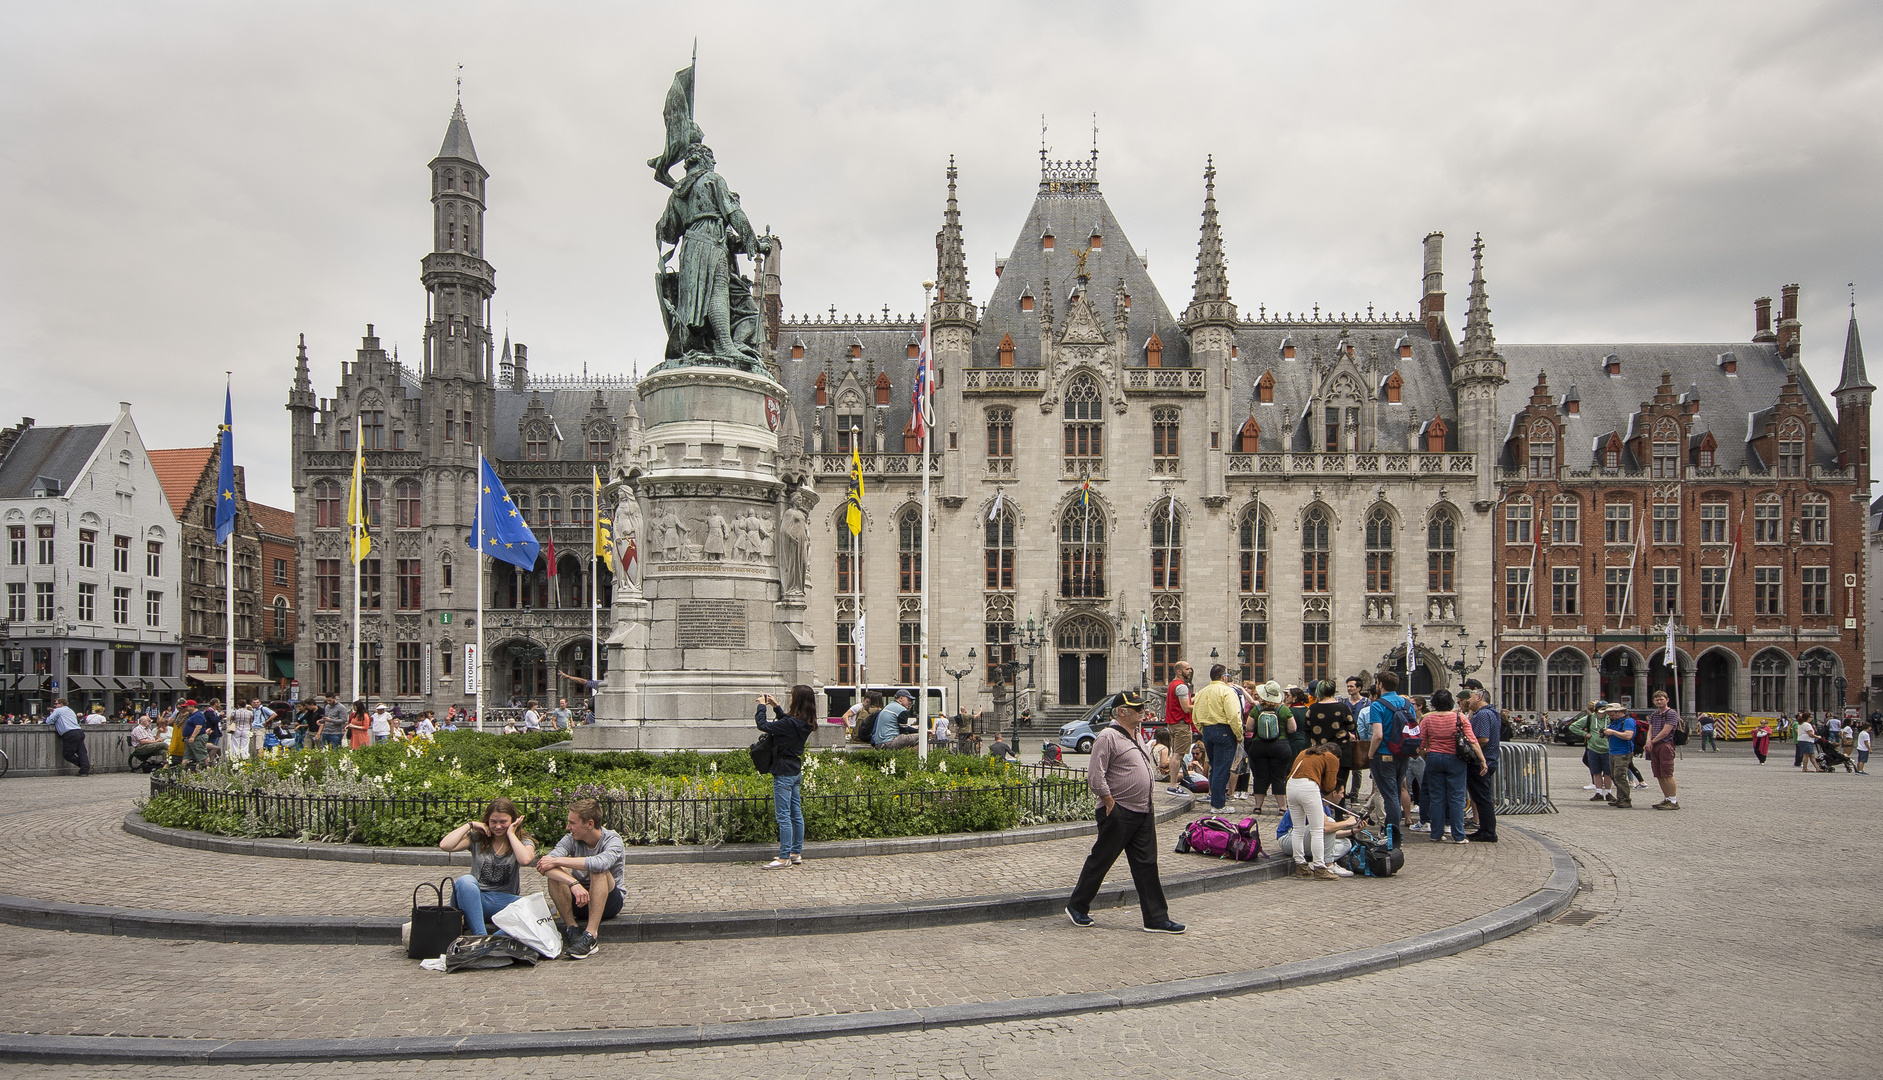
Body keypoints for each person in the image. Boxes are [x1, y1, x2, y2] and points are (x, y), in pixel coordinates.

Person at [1064, 688, 1184, 934]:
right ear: (1122, 711)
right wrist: (1109, 802)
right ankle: (1077, 906)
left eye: (1142, 707)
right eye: (1137, 709)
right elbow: (1095, 776)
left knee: (1147, 864)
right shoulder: (1107, 736)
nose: (1143, 711)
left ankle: (1156, 918)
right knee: (1101, 860)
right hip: (1119, 810)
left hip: (1143, 810)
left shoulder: (1136, 734)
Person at [535, 799, 626, 960]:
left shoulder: (612, 839)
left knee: (598, 870)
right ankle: (572, 929)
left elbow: (600, 863)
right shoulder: (570, 839)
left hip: (609, 902)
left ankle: (591, 936)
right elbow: (545, 864)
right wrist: (573, 882)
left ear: (589, 824)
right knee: (556, 871)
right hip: (578, 899)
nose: (567, 827)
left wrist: (557, 861)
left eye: (572, 823)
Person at [440, 797, 538, 937]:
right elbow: (445, 845)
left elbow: (525, 860)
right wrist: (471, 824)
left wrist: (511, 833)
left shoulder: (523, 842)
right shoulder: (477, 839)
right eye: (493, 822)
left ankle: (495, 940)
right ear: (487, 820)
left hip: (504, 901)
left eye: (503, 822)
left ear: (513, 820)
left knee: (535, 907)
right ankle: (481, 936)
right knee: (465, 881)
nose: (498, 826)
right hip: (475, 900)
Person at [756, 685, 817, 868]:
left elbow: (764, 726)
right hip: (794, 770)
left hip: (783, 771)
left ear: (797, 700)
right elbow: (787, 723)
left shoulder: (792, 723)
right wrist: (776, 707)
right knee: (795, 813)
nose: (789, 699)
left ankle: (784, 858)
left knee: (783, 816)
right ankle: (795, 852)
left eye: (791, 696)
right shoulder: (804, 722)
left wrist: (761, 706)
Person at [1418, 688, 1483, 841]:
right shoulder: (1459, 717)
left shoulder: (1427, 719)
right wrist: (1482, 759)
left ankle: (1436, 833)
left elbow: (1420, 743)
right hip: (1455, 758)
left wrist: (1426, 756)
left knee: (1436, 797)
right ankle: (1458, 835)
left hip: (1433, 757)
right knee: (1456, 797)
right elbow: (1472, 740)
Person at [1285, 742, 1346, 878]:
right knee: (1317, 830)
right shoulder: (1331, 758)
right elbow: (1330, 786)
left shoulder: (1305, 752)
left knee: (1298, 829)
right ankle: (1320, 867)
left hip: (1291, 786)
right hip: (1308, 786)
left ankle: (1300, 865)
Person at [1368, 671, 1416, 838]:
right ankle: (1390, 829)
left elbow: (1378, 735)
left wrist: (1370, 753)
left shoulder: (1377, 705)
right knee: (1395, 791)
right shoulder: (1407, 703)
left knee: (1390, 796)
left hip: (1384, 754)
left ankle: (1394, 834)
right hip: (1403, 753)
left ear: (1380, 685)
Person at [1192, 663, 1242, 813]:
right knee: (1222, 768)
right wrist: (1238, 734)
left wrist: (1203, 729)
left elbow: (1195, 714)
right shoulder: (1226, 691)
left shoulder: (1202, 692)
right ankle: (1218, 804)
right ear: (1223, 676)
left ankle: (1215, 799)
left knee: (1214, 767)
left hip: (1207, 731)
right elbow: (1233, 715)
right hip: (1224, 730)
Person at [1301, 680, 1357, 804]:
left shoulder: (1313, 708)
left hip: (1320, 752)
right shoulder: (1343, 707)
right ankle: (1339, 813)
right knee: (1340, 784)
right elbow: (1352, 726)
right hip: (1341, 751)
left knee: (1320, 784)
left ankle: (1323, 812)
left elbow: (1306, 728)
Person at [1244, 680, 1295, 815]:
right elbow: (1293, 728)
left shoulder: (1257, 709)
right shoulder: (1283, 709)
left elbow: (1248, 727)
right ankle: (1282, 807)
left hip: (1258, 746)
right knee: (1279, 777)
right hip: (1280, 746)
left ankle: (1258, 806)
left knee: (1260, 777)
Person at [1462, 682, 1501, 842]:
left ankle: (1489, 832)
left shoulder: (1484, 715)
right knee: (1480, 797)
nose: (1468, 701)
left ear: (1479, 697)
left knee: (1483, 798)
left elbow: (1483, 739)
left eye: (1470, 697)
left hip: (1480, 762)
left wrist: (1469, 748)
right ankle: (1485, 829)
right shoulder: (1487, 713)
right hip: (1486, 760)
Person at [1644, 690, 1681, 810]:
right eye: (1656, 700)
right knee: (1659, 773)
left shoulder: (1671, 713)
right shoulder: (1654, 714)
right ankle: (1667, 798)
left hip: (1665, 745)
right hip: (1654, 745)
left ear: (1667, 700)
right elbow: (1650, 729)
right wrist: (1648, 741)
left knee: (1667, 773)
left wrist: (1652, 741)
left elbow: (1666, 731)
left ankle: (1673, 800)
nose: (1659, 701)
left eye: (1661, 699)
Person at [1163, 661, 1196, 795]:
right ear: (1179, 671)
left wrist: (1194, 699)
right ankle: (1173, 785)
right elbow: (1186, 708)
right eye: (1187, 669)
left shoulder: (1173, 685)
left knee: (1175, 754)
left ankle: (1173, 784)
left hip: (1173, 724)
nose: (1190, 671)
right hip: (1181, 724)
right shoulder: (1181, 687)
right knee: (1178, 755)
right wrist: (1202, 704)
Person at [1571, 704, 1614, 802]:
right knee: (1596, 771)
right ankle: (1598, 792)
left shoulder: (1610, 719)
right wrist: (1585, 734)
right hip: (1593, 749)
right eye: (1601, 710)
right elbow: (1573, 726)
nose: (1603, 713)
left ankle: (1608, 793)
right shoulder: (1590, 718)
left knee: (1608, 773)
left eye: (1605, 710)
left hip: (1608, 750)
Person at [1601, 702, 1639, 806]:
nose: (1609, 715)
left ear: (1618, 712)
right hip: (1613, 751)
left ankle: (1626, 800)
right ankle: (1620, 797)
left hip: (1623, 752)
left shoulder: (1628, 721)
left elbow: (1628, 735)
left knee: (1620, 776)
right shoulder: (1615, 722)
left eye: (1611, 713)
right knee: (1614, 776)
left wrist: (1612, 732)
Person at [45, 698, 88, 776]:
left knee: (68, 754)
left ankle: (84, 766)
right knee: (82, 752)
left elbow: (49, 721)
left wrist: (52, 713)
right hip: (79, 731)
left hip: (69, 733)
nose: (55, 705)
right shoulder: (70, 710)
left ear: (61, 704)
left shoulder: (58, 710)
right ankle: (84, 769)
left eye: (56, 704)